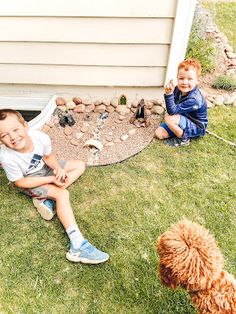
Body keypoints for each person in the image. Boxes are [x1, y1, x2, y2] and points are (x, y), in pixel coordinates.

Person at [0, 109, 109, 264]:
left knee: (79, 165)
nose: (12, 137)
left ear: (25, 126)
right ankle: (78, 245)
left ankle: (45, 199)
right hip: (29, 179)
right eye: (4, 135)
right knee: (62, 194)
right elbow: (20, 183)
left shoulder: (40, 137)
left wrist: (58, 169)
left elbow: (48, 157)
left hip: (45, 168)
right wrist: (52, 178)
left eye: (15, 129)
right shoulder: (6, 157)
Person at [155, 58, 208, 147]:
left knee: (169, 118)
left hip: (196, 126)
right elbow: (173, 107)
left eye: (190, 79)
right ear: (177, 78)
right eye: (181, 78)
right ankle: (178, 128)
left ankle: (183, 139)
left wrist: (168, 94)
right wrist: (171, 91)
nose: (184, 82)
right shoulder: (178, 89)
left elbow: (172, 111)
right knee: (159, 134)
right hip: (182, 118)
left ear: (198, 80)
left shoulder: (194, 99)